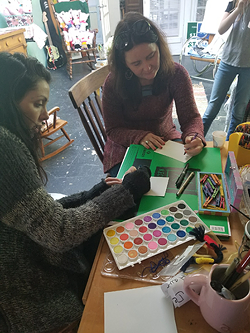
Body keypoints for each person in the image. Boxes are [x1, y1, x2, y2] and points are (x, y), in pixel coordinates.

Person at [0, 52, 151, 333]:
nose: (45, 116)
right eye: (37, 104)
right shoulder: (4, 146)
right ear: (8, 102)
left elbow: (37, 213)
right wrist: (125, 191)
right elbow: (59, 232)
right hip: (30, 297)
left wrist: (90, 194)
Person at [101, 12, 206, 176]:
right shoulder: (113, 83)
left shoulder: (176, 74)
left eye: (151, 56)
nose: (147, 67)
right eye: (136, 63)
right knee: (129, 193)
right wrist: (139, 136)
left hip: (164, 139)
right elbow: (113, 130)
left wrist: (194, 136)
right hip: (124, 147)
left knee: (188, 179)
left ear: (159, 47)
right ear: (125, 64)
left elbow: (191, 118)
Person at [202, 0, 250, 140]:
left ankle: (231, 149)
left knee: (239, 113)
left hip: (248, 67)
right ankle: (197, 139)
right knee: (212, 107)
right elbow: (221, 29)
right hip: (228, 61)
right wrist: (238, 9)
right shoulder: (234, 2)